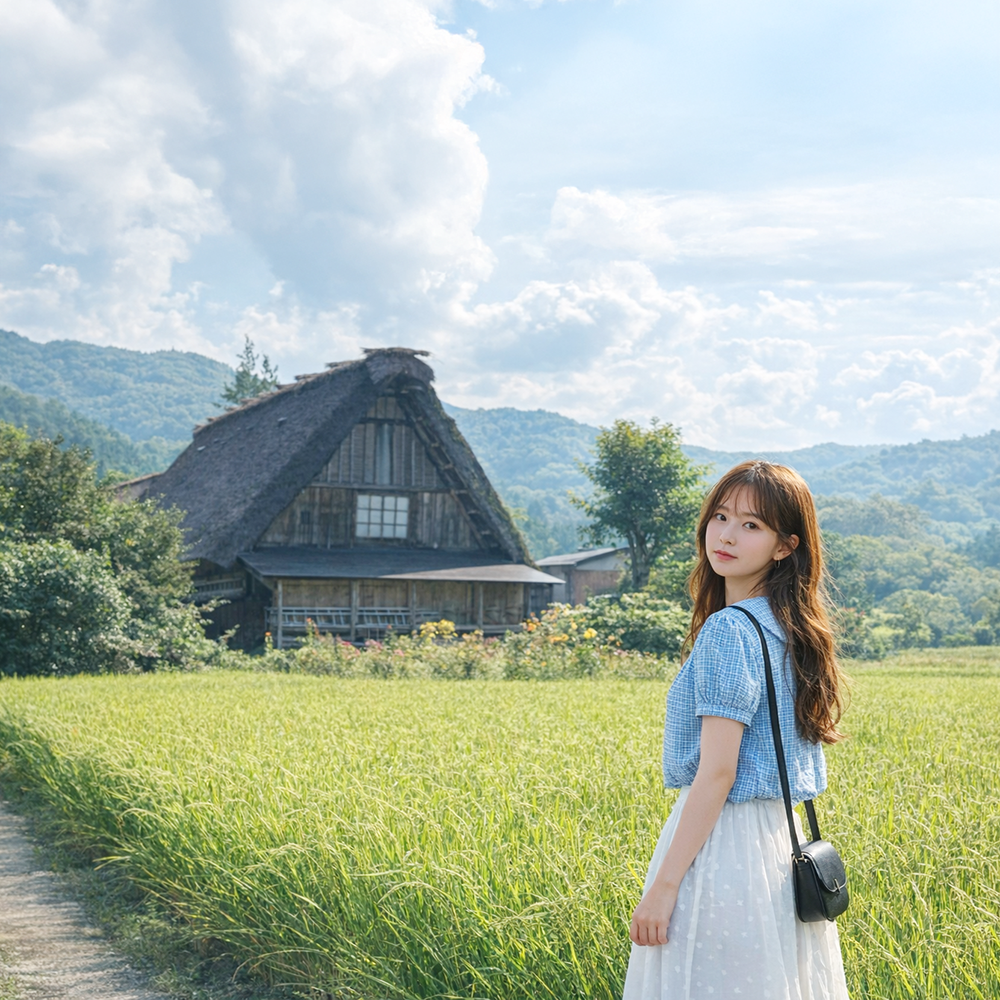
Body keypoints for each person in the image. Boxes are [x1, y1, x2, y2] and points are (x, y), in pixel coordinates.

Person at [622, 460, 850, 1000]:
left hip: (722, 846)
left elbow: (718, 772)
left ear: (784, 546)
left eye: (751, 525)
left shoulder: (730, 629)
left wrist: (665, 887)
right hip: (780, 840)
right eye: (720, 516)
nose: (725, 535)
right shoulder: (789, 626)